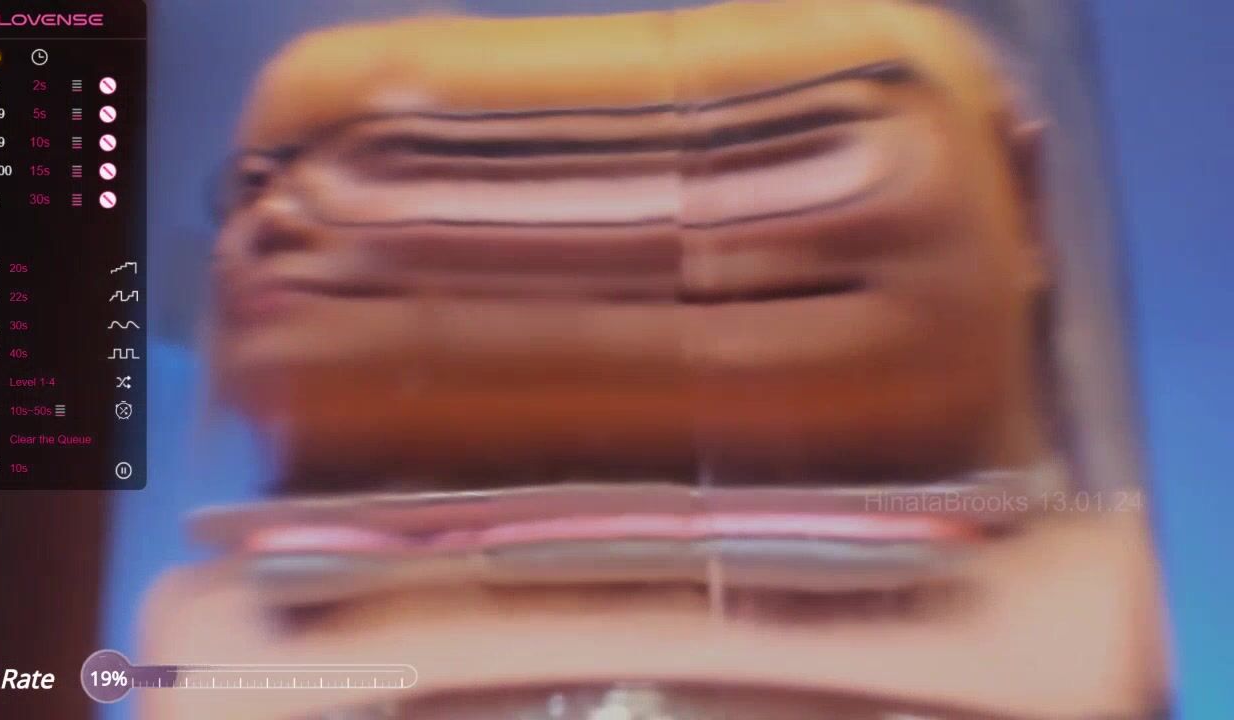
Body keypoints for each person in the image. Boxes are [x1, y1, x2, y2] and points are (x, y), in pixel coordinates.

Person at [141, 1, 1168, 717]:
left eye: (790, 139)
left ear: (1024, 201)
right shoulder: (218, 641)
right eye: (262, 184)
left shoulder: (1073, 612)